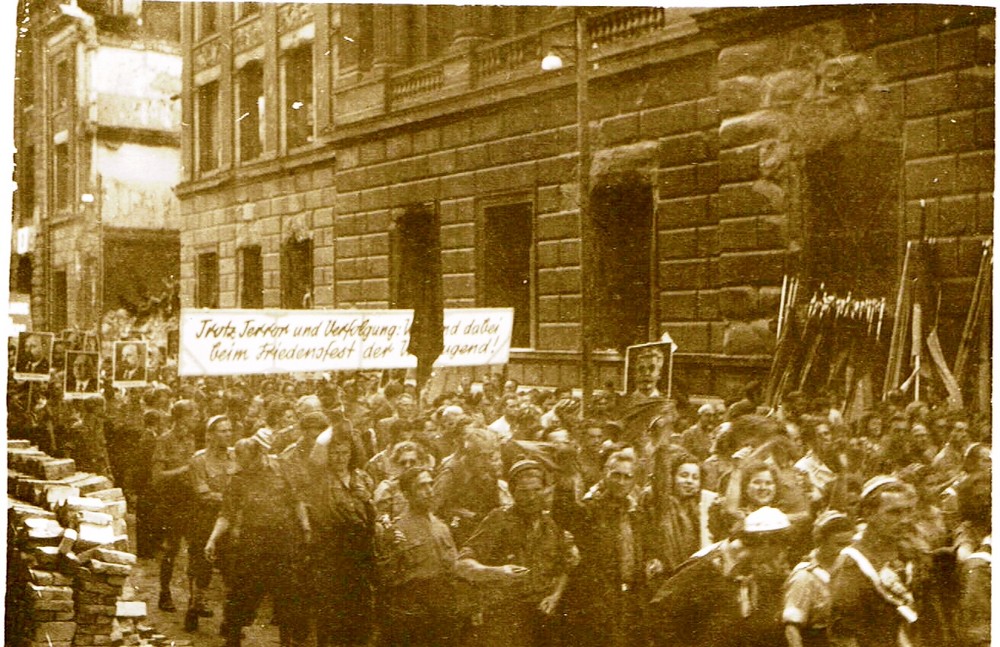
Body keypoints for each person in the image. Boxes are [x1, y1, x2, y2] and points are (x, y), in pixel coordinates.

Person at [204, 436, 310, 647]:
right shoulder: (238, 478)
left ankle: (286, 642)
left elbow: (297, 501)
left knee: (287, 594)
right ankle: (233, 639)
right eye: (241, 463)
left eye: (248, 463)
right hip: (252, 542)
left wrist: (306, 527)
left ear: (260, 455)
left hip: (283, 541)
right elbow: (226, 513)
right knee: (242, 593)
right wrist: (212, 539)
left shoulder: (281, 468)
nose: (245, 467)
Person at [459, 460, 574, 647]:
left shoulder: (552, 526)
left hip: (541, 618)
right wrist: (498, 572)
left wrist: (555, 595)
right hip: (505, 618)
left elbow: (565, 566)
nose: (531, 498)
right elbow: (462, 564)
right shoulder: (498, 520)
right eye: (524, 492)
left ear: (545, 490)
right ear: (513, 493)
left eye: (536, 490)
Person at [649, 506, 794, 647]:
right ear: (765, 542)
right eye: (780, 547)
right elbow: (661, 611)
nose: (780, 555)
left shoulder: (751, 570)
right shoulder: (703, 566)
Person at [553, 448, 643, 647]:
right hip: (596, 601)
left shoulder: (635, 512)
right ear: (605, 473)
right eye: (616, 475)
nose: (621, 482)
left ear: (634, 480)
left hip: (628, 599)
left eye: (627, 477)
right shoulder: (589, 510)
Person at [308, 419, 377, 647]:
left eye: (344, 452)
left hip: (360, 553)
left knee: (359, 612)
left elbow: (373, 513)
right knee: (330, 612)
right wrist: (337, 423)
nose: (339, 458)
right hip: (331, 551)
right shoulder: (321, 478)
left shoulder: (362, 478)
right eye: (335, 453)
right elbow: (317, 451)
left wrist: (366, 500)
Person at [829, 477, 919, 647]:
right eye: (894, 512)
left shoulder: (909, 553)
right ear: (869, 513)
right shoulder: (852, 565)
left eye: (908, 511)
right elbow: (844, 639)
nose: (905, 519)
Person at [184, 415, 236, 632]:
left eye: (229, 430)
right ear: (211, 435)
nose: (227, 434)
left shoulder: (235, 457)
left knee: (231, 571)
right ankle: (194, 608)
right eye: (222, 431)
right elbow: (202, 493)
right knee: (201, 570)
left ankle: (229, 619)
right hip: (204, 521)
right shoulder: (199, 460)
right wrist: (231, 498)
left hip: (230, 521)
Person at [641, 447, 718, 585]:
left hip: (694, 578)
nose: (689, 481)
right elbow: (659, 484)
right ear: (672, 477)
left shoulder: (702, 506)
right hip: (667, 576)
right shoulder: (663, 503)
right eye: (684, 475)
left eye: (695, 478)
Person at [151, 399, 199, 612]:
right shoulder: (164, 440)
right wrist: (184, 470)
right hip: (171, 501)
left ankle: (195, 600)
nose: (196, 418)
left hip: (191, 498)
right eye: (192, 414)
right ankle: (164, 593)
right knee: (172, 549)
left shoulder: (190, 438)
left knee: (194, 550)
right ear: (180, 417)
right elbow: (157, 477)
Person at [782, 511, 856, 647]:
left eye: (849, 544)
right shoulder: (805, 576)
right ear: (820, 541)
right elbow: (792, 628)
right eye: (839, 544)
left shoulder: (852, 571)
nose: (845, 550)